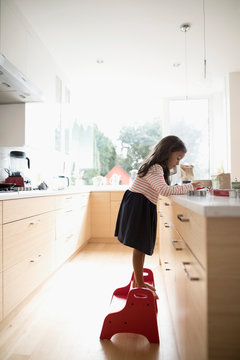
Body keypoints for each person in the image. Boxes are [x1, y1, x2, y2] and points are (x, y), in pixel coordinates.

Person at [114, 135, 201, 298]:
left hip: (141, 204)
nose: (177, 162)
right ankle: (139, 284)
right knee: (139, 247)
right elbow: (165, 190)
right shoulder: (155, 168)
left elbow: (163, 187)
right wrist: (191, 187)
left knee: (140, 247)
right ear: (168, 152)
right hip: (139, 206)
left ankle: (138, 281)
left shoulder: (156, 168)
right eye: (177, 158)